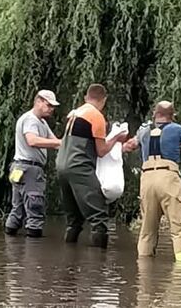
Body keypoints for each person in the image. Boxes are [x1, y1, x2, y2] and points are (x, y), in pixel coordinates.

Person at [123, 101, 181, 262]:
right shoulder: (177, 129)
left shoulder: (143, 130)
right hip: (168, 177)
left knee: (147, 228)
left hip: (147, 178)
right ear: (172, 116)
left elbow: (129, 146)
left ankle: (143, 267)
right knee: (179, 226)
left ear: (154, 114)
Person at [56, 84, 126, 249]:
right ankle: (98, 267)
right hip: (79, 167)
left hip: (61, 166)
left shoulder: (75, 113)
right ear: (104, 100)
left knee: (74, 220)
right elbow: (101, 151)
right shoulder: (96, 116)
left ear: (86, 97)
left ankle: (69, 259)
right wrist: (116, 138)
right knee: (99, 216)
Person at [4, 90, 62, 238]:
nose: (51, 109)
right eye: (48, 105)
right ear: (38, 101)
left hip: (19, 168)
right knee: (35, 208)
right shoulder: (31, 120)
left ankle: (9, 243)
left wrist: (66, 143)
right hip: (29, 169)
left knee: (18, 208)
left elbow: (55, 142)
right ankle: (34, 253)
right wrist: (60, 142)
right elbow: (33, 140)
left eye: (53, 106)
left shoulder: (41, 122)